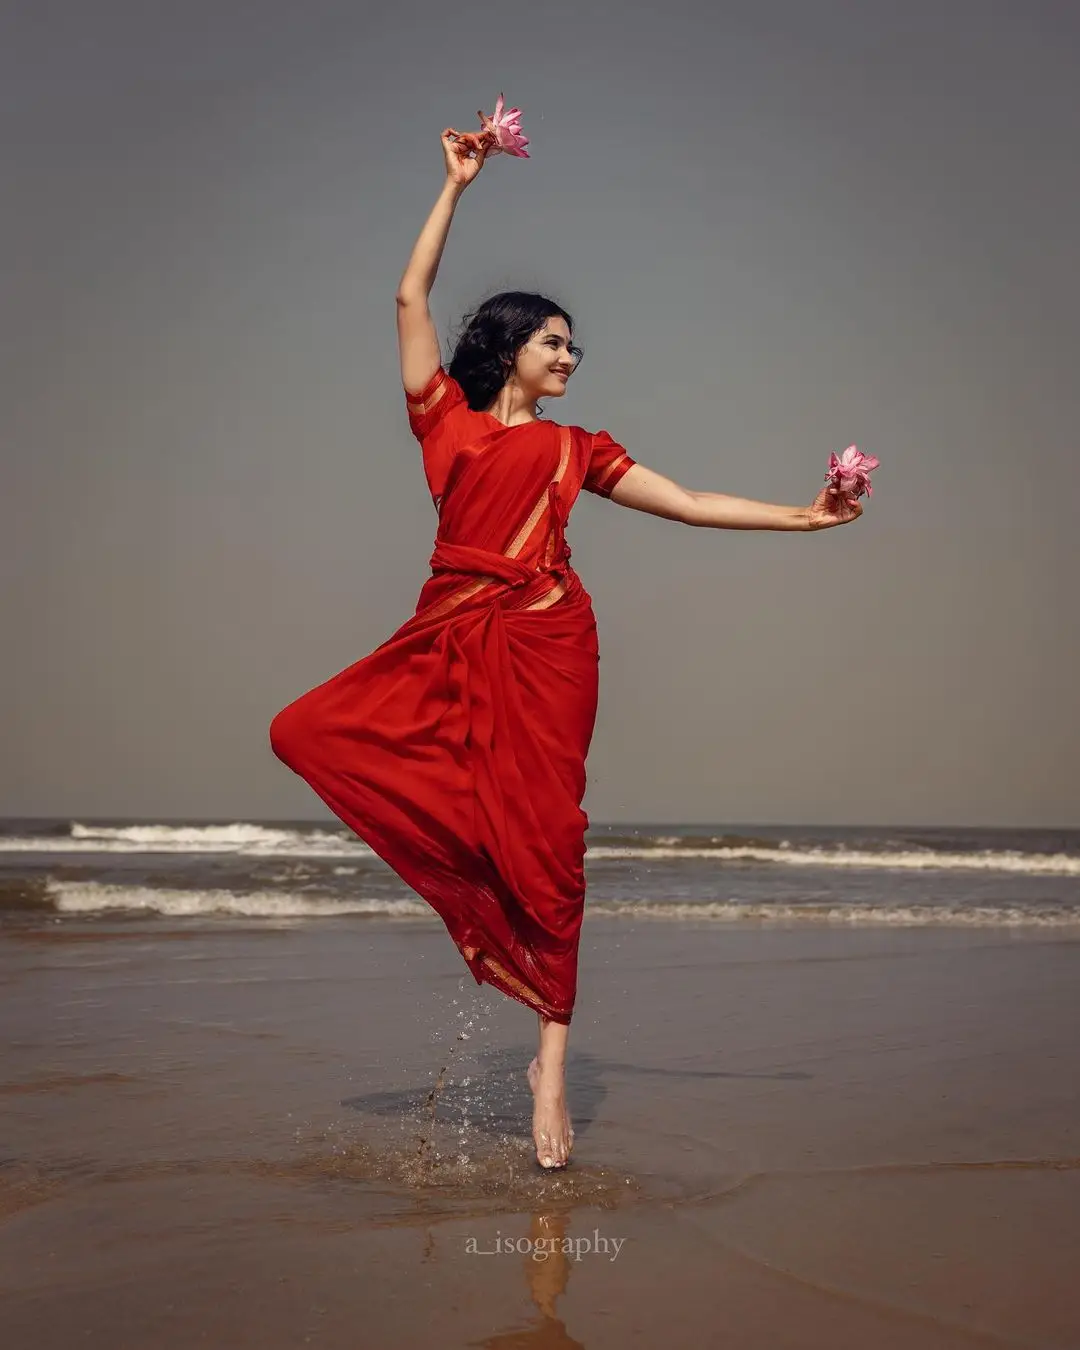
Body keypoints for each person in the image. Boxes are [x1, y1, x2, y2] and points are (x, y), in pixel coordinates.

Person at [269, 124, 864, 1173]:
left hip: (550, 638)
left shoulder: (577, 448)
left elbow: (682, 501)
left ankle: (551, 1053)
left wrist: (804, 518)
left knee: (551, 833)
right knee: (306, 729)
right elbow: (408, 303)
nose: (569, 357)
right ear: (511, 349)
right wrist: (454, 186)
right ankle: (469, 884)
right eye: (554, 342)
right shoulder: (445, 422)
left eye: (574, 347)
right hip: (450, 630)